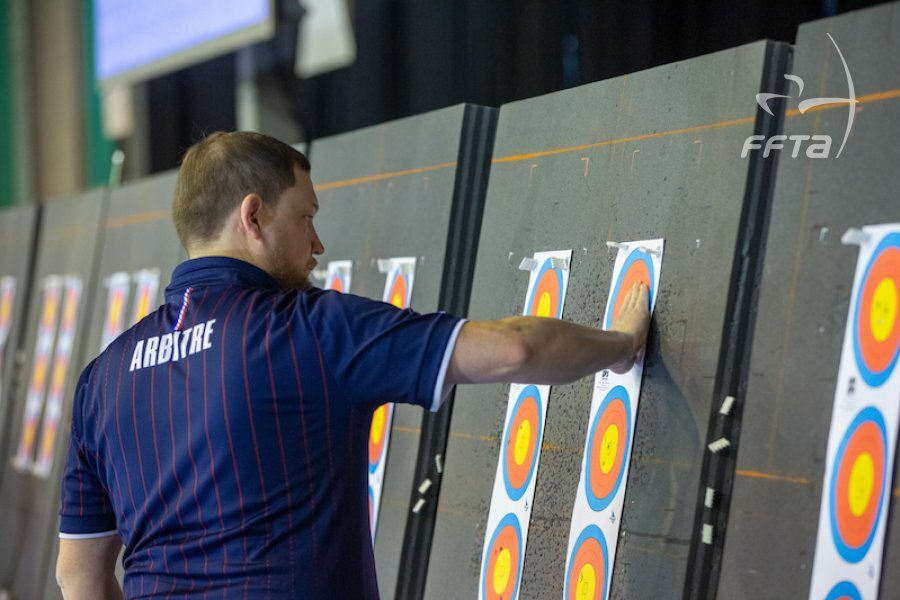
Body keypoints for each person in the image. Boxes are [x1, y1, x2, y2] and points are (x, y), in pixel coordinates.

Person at [55, 131, 650, 599]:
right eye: (305, 217)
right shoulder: (308, 329)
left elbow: (77, 579)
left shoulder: (100, 382)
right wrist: (621, 342)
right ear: (254, 217)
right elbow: (517, 349)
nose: (316, 245)